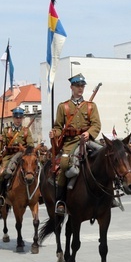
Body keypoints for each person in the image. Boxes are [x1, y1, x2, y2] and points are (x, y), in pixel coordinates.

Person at [49, 73, 102, 215]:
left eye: (82, 86)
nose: (80, 88)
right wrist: (55, 133)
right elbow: (58, 126)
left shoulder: (91, 106)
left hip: (88, 140)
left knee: (106, 156)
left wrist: (89, 133)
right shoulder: (63, 107)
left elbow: (96, 124)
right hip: (70, 143)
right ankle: (61, 201)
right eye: (77, 86)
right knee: (64, 164)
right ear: (71, 87)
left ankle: (110, 195)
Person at [0, 107, 35, 206]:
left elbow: (30, 145)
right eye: (16, 118)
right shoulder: (6, 130)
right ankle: (1, 195)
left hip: (22, 155)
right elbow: (0, 146)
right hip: (8, 155)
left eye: (20, 118)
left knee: (34, 168)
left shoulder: (26, 131)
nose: (18, 120)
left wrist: (26, 149)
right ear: (13, 118)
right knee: (1, 172)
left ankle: (38, 192)